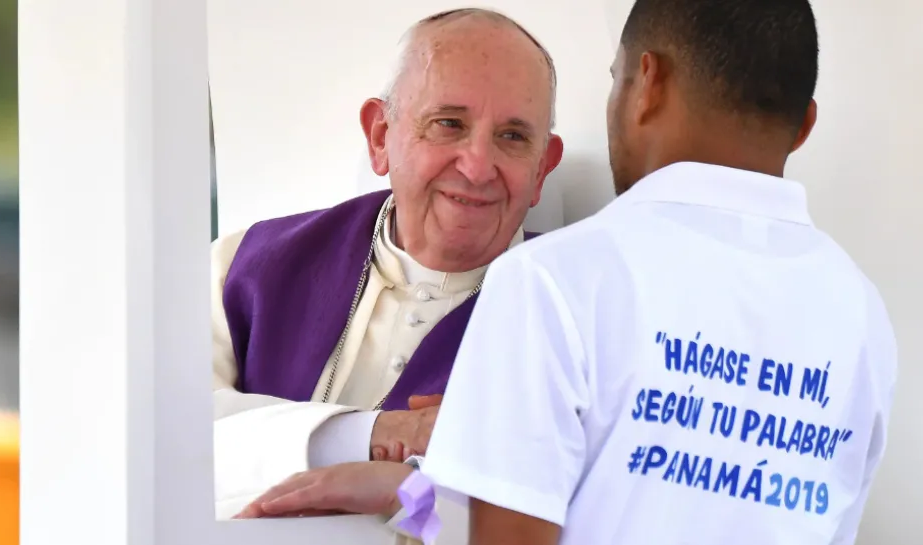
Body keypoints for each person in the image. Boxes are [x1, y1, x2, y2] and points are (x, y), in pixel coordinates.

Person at [241, 1, 899, 544]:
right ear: (805, 125)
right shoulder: (864, 315)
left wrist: (410, 496)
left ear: (647, 83)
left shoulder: (555, 278)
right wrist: (414, 482)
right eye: (448, 124)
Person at [213, 7, 563, 520]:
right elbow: (156, 435)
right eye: (449, 124)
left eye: (512, 137)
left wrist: (414, 496)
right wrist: (375, 435)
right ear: (380, 136)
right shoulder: (244, 264)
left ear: (542, 170)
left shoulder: (573, 316)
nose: (477, 166)